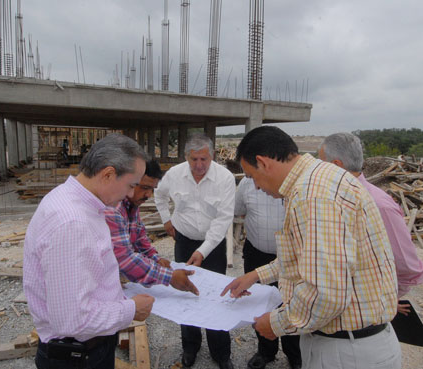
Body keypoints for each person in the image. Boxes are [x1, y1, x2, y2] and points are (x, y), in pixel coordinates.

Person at [222, 126, 400, 369]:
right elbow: (307, 258)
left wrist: (275, 324)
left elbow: (326, 294)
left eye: (252, 177)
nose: (255, 187)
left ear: (263, 163)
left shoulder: (312, 196)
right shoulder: (319, 179)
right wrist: (256, 275)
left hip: (346, 352)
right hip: (350, 344)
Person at [24, 134, 155, 369]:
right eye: (131, 185)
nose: (129, 194)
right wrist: (131, 309)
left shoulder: (76, 201)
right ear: (107, 174)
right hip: (79, 356)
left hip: (87, 347)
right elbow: (73, 320)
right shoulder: (73, 223)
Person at [318, 132, 423, 315]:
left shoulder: (379, 205)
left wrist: (385, 298)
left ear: (336, 166)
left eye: (321, 164)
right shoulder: (332, 198)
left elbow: (408, 267)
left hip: (365, 316)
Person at [155, 133, 235, 369]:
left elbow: (224, 219)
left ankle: (221, 353)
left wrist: (204, 250)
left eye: (204, 159)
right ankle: (190, 346)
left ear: (211, 156)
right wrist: (165, 220)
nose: (199, 166)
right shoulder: (174, 175)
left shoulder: (225, 178)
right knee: (185, 294)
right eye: (194, 160)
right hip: (184, 241)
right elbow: (159, 195)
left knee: (217, 296)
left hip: (213, 244)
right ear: (186, 157)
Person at [104, 159, 199, 294]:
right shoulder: (114, 207)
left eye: (152, 189)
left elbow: (139, 239)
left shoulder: (132, 205)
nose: (148, 195)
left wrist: (156, 259)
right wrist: (169, 277)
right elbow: (124, 258)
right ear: (131, 181)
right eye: (144, 187)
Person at [235, 177, 302, 369]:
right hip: (257, 253)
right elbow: (238, 210)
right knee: (260, 303)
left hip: (292, 257)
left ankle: (294, 353)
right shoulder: (247, 184)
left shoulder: (296, 183)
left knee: (292, 302)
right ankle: (265, 350)